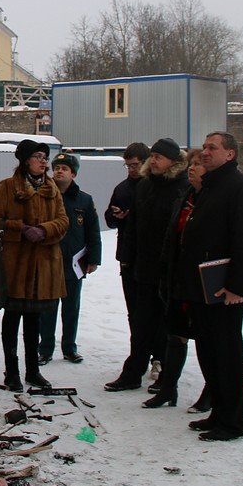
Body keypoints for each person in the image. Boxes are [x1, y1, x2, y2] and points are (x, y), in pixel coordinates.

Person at [168, 131, 243, 442]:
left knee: (227, 355)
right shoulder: (211, 186)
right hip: (200, 288)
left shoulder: (240, 188)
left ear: (230, 154)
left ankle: (233, 422)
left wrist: (237, 286)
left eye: (212, 148)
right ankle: (218, 413)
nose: (205, 152)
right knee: (208, 352)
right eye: (204, 147)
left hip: (224, 291)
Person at [0, 140, 70, 391]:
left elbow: (63, 221)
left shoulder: (52, 188)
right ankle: (12, 372)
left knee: (35, 320)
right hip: (15, 265)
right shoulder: (8, 187)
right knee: (12, 318)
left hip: (44, 266)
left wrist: (44, 230)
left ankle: (33, 370)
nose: (44, 161)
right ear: (25, 161)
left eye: (45, 156)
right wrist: (19, 228)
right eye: (38, 156)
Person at [106, 138, 187, 394]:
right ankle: (133, 373)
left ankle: (165, 374)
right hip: (141, 266)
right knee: (140, 322)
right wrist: (128, 259)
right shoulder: (145, 187)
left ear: (173, 162)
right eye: (153, 157)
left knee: (166, 324)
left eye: (159, 158)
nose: (154, 161)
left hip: (169, 270)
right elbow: (133, 229)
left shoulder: (182, 189)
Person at [157, 149, 211, 413]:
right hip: (178, 277)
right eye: (191, 164)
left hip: (203, 281)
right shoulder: (185, 197)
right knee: (175, 334)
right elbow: (171, 238)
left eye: (198, 164)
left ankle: (210, 391)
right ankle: (168, 388)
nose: (192, 168)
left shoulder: (213, 200)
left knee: (206, 339)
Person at [38, 153, 101, 365]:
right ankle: (45, 349)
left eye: (64, 168)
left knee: (71, 308)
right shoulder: (44, 196)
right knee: (47, 308)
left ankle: (69, 348)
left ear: (73, 174)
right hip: (48, 261)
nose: (59, 171)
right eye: (56, 168)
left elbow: (93, 231)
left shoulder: (84, 200)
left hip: (74, 263)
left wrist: (93, 259)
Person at [104, 142, 151, 378]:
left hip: (150, 258)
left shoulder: (153, 186)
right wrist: (117, 216)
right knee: (134, 312)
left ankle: (158, 357)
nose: (132, 170)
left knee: (152, 312)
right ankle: (138, 355)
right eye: (128, 165)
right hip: (128, 255)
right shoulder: (122, 188)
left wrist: (132, 216)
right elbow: (109, 218)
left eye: (135, 165)